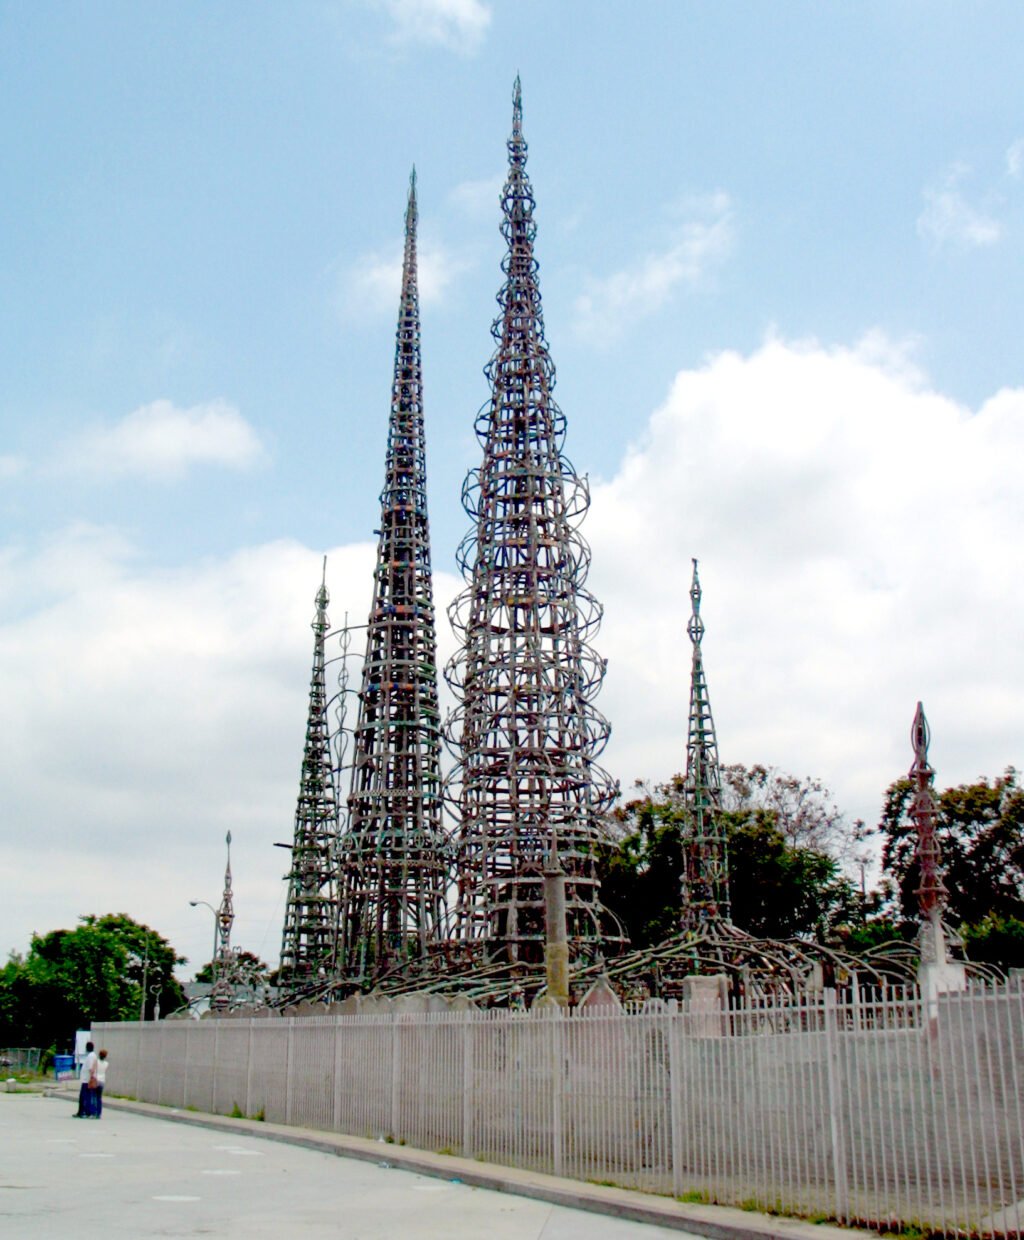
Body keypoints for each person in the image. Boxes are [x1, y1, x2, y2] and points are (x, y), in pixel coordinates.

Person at [74, 1042, 97, 1117]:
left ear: (87, 1048)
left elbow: (90, 1068)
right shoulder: (93, 1055)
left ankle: (83, 1112)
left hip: (86, 1080)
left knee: (84, 1097)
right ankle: (85, 1111)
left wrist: (91, 1079)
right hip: (86, 1079)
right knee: (87, 1096)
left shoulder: (90, 1056)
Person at [92, 1049, 108, 1119]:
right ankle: (99, 1113)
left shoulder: (96, 1062)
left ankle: (94, 1112)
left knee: (94, 1097)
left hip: (96, 1080)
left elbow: (93, 1070)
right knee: (99, 1097)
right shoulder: (106, 1063)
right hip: (102, 1081)